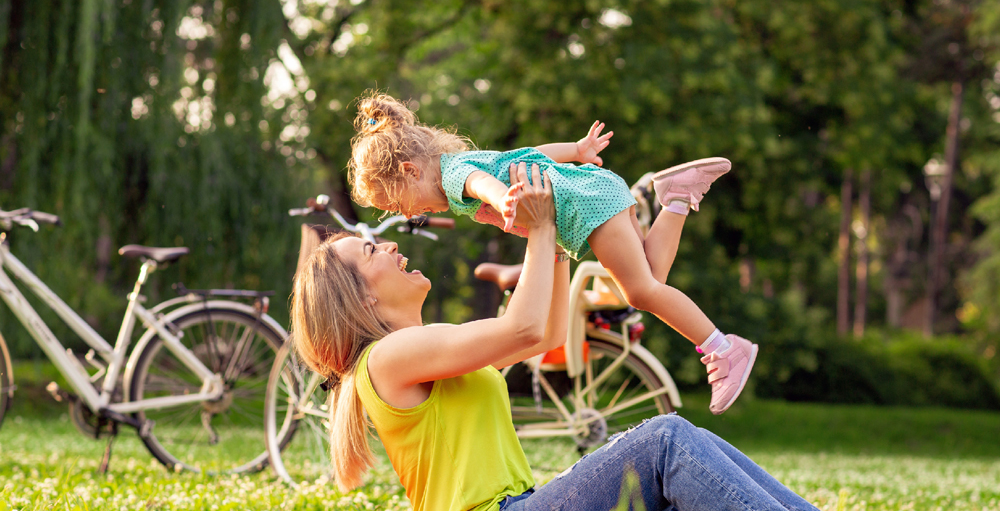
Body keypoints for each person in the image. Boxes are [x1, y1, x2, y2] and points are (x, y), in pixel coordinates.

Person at [290, 163, 819, 510]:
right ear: (359, 299)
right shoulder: (386, 358)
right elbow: (518, 326)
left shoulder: (423, 350)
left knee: (683, 441)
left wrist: (560, 235)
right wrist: (540, 229)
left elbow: (538, 336)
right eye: (369, 252)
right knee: (664, 441)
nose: (386, 247)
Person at [346, 92, 754, 415]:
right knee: (652, 278)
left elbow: (479, 183)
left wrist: (504, 199)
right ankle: (678, 196)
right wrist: (577, 150)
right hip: (597, 189)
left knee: (641, 292)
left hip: (584, 207)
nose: (408, 214)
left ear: (410, 172)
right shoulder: (458, 161)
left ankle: (723, 347)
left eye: (399, 203)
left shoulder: (453, 174)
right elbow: (530, 154)